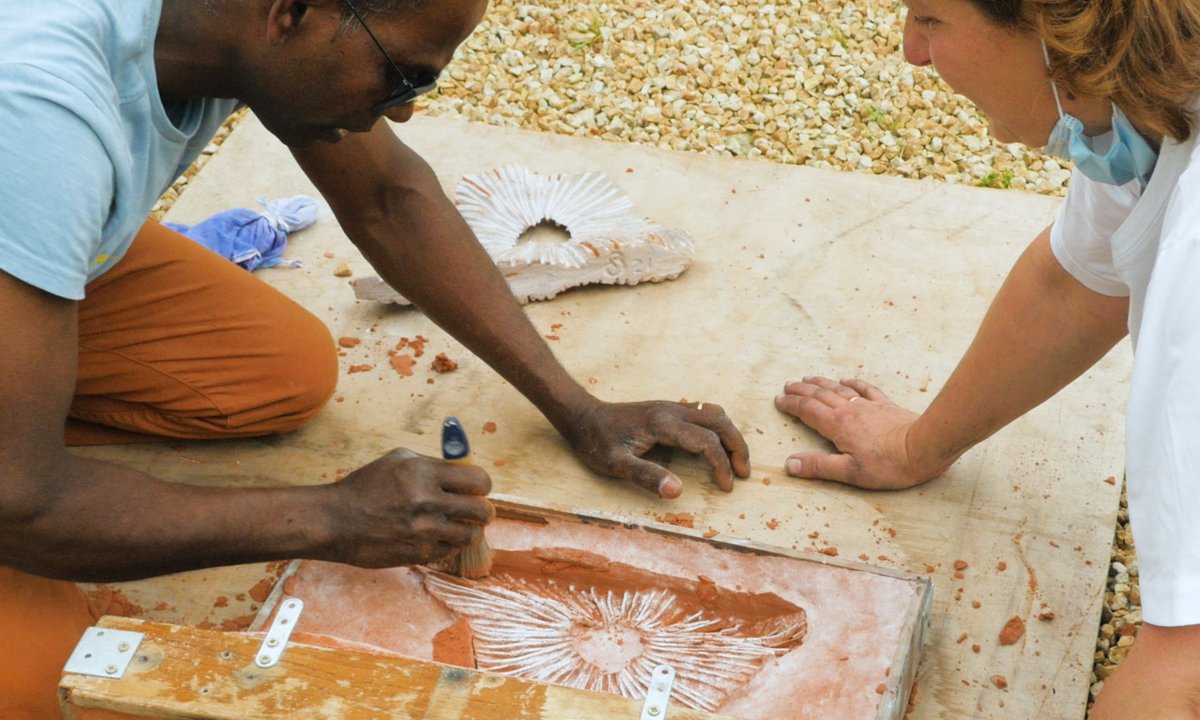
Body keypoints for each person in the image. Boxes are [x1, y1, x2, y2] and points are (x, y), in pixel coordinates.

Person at [0, 0, 752, 715]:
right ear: (293, 12)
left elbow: (389, 196)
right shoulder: (40, 120)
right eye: (402, 76)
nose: (404, 110)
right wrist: (329, 518)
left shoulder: (229, 29)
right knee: (51, 682)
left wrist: (579, 409)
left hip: (33, 216)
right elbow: (24, 505)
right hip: (27, 209)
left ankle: (25, 380)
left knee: (277, 374)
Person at [774, 1, 1200, 717]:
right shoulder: (1140, 109)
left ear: (1057, 26)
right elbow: (1076, 284)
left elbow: (1186, 673)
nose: (912, 51)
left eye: (930, 19)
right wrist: (915, 447)